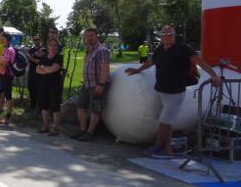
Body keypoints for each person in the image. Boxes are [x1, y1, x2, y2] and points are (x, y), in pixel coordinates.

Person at [126, 25, 222, 158]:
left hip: (175, 92)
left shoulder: (183, 49)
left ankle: (159, 146)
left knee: (165, 122)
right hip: (160, 90)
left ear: (174, 35)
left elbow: (199, 61)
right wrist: (138, 70)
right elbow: (150, 62)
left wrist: (214, 75)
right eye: (163, 34)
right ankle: (168, 149)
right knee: (164, 121)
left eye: (169, 34)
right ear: (161, 36)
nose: (166, 36)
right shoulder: (160, 50)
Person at [72, 28, 111, 141]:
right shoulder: (89, 50)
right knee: (80, 105)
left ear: (97, 36)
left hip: (97, 84)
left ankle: (90, 133)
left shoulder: (102, 50)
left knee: (95, 108)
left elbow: (105, 69)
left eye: (91, 35)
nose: (89, 38)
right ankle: (82, 130)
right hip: (87, 83)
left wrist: (101, 84)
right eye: (87, 36)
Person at [36, 38, 64, 135]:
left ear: (57, 46)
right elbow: (37, 70)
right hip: (43, 84)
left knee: (55, 107)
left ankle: (55, 129)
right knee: (44, 106)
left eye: (55, 45)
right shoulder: (44, 57)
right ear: (48, 46)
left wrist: (43, 68)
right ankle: (45, 127)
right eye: (51, 45)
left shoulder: (59, 57)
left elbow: (53, 69)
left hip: (55, 85)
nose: (53, 47)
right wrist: (47, 70)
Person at [0, 32, 16, 125]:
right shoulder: (5, 48)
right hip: (2, 74)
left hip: (7, 75)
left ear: (6, 39)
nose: (0, 39)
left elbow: (5, 63)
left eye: (2, 37)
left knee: (8, 96)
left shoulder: (10, 50)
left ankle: (8, 118)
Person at [26, 35, 44, 113]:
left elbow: (40, 62)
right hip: (31, 72)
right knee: (31, 88)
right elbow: (28, 59)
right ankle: (32, 106)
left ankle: (40, 108)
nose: (36, 41)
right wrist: (31, 57)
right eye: (34, 39)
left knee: (39, 90)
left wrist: (30, 57)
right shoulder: (31, 50)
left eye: (37, 39)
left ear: (40, 40)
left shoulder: (43, 49)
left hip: (40, 73)